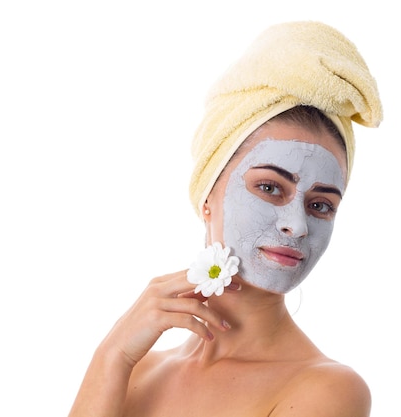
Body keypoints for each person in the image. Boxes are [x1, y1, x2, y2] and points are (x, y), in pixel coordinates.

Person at [68, 20, 383, 417]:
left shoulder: (329, 390)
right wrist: (111, 353)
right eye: (270, 187)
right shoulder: (136, 367)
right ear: (207, 196)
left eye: (321, 205)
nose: (297, 225)